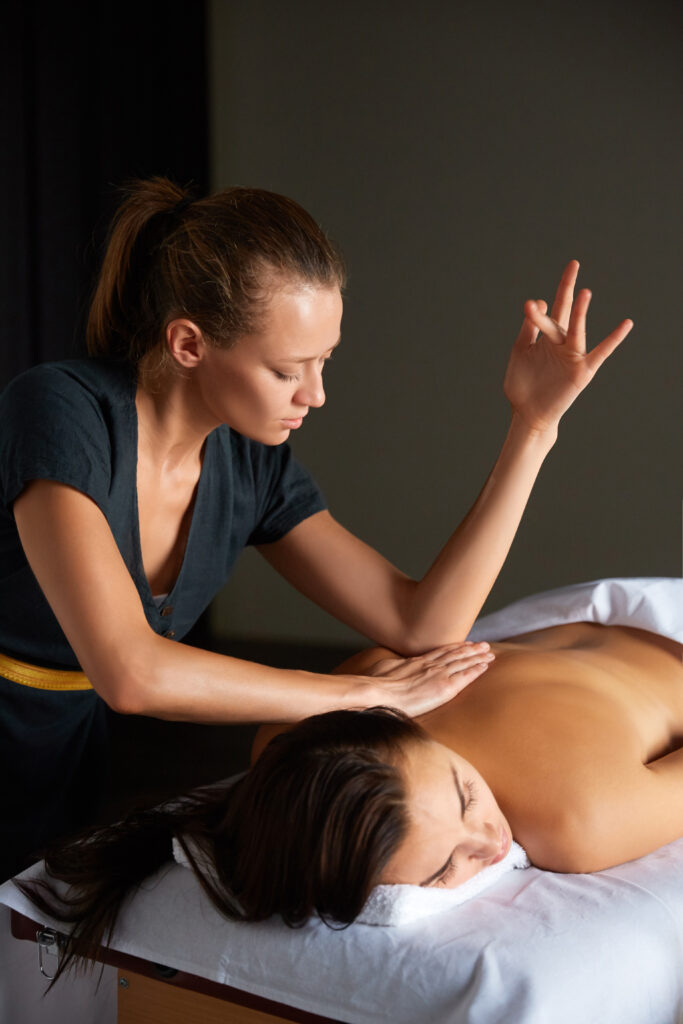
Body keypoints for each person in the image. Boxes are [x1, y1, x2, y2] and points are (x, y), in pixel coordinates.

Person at [0, 175, 632, 878]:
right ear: (187, 343)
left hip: (65, 746)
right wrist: (364, 695)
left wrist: (532, 426)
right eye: (285, 370)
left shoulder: (249, 465)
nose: (316, 394)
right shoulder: (61, 413)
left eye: (323, 361)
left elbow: (419, 624)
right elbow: (131, 672)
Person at [16, 600, 683, 986]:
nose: (490, 840)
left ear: (394, 720)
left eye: (464, 794)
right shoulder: (288, 740)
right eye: (444, 870)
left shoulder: (581, 816)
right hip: (590, 651)